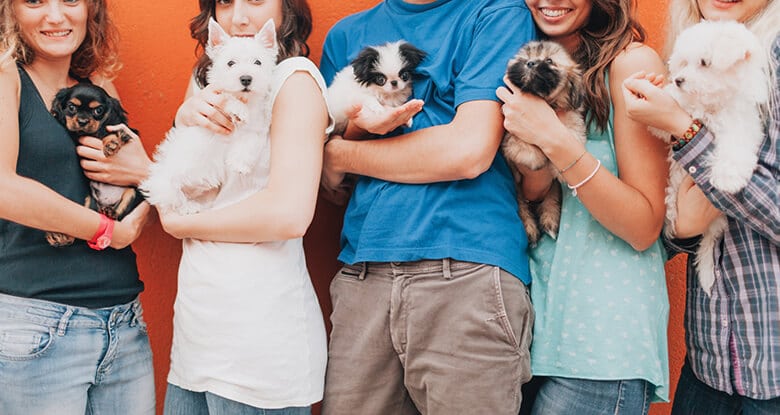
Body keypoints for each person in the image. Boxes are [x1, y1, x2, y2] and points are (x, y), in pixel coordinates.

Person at [319, 1, 536, 414]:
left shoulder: (495, 13)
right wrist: (339, 153)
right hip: (363, 275)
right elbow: (328, 184)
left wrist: (342, 156)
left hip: (467, 271)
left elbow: (468, 152)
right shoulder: (346, 36)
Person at [155, 0, 331, 413]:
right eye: (225, 2)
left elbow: (289, 214)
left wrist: (181, 224)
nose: (239, 16)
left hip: (259, 342)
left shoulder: (294, 79)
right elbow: (186, 171)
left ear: (287, 7)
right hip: (198, 333)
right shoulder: (209, 80)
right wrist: (182, 118)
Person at [496, 0, 671, 413]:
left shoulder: (630, 64)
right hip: (531, 327)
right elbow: (536, 192)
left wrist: (554, 138)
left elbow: (644, 225)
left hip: (601, 338)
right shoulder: (525, 60)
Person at [622, 0, 780, 413]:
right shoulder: (688, 60)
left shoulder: (771, 60)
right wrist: (681, 234)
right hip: (708, 364)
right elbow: (674, 219)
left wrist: (684, 129)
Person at [0, 0, 155, 414]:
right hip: (37, 319)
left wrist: (146, 187)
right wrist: (108, 231)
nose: (55, 15)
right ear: (9, 10)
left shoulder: (97, 82)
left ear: (91, 9)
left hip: (124, 318)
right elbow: (2, 188)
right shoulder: (5, 75)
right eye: (34, 0)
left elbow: (133, 169)